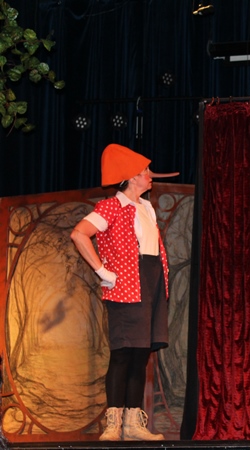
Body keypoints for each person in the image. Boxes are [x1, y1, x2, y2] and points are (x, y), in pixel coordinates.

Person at [70, 143, 178, 441]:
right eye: (145, 171)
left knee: (141, 354)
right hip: (126, 286)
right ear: (131, 177)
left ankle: (132, 424)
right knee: (122, 353)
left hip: (151, 283)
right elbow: (79, 234)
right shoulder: (111, 207)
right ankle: (113, 424)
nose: (150, 176)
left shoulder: (146, 208)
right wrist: (103, 272)